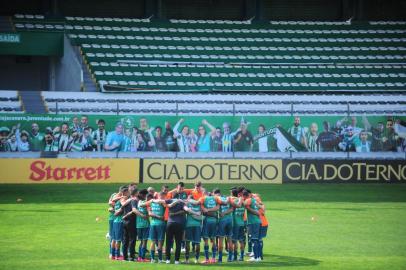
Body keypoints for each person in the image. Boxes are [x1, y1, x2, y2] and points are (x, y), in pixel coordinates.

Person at [121, 188, 143, 261]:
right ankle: (131, 257)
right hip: (131, 222)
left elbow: (122, 208)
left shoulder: (128, 200)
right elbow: (134, 210)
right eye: (138, 193)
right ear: (136, 193)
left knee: (125, 239)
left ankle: (124, 257)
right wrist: (142, 215)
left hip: (125, 222)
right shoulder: (133, 200)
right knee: (132, 240)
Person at [145, 192, 167, 263]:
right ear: (162, 196)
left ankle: (152, 259)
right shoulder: (163, 203)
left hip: (153, 224)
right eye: (164, 196)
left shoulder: (151, 203)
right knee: (160, 242)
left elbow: (150, 213)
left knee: (153, 241)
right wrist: (160, 217)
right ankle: (160, 259)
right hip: (161, 224)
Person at [199, 190, 220, 264]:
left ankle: (207, 259)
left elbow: (203, 210)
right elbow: (218, 207)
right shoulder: (215, 198)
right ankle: (214, 258)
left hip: (206, 221)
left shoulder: (203, 198)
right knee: (214, 240)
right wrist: (211, 210)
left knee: (206, 240)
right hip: (214, 221)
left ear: (204, 194)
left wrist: (207, 210)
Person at [214, 189, 234, 263]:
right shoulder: (228, 198)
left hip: (222, 221)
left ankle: (220, 258)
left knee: (220, 240)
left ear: (215, 194)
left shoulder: (216, 199)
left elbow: (217, 208)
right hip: (230, 220)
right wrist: (226, 212)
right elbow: (232, 209)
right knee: (229, 239)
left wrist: (223, 213)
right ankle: (230, 258)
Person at [165, 197, 186, 264]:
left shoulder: (169, 200)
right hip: (179, 224)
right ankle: (176, 260)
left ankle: (167, 260)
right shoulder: (181, 202)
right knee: (178, 243)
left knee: (168, 243)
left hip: (170, 223)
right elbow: (185, 210)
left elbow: (162, 202)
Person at [243, 190, 261, 262]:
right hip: (256, 222)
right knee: (256, 240)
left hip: (253, 223)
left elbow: (243, 204)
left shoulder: (249, 200)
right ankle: (258, 257)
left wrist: (247, 208)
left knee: (254, 240)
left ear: (245, 196)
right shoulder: (254, 200)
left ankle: (256, 257)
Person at [184, 194, 203, 264]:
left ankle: (187, 259)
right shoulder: (198, 205)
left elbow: (185, 210)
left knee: (187, 242)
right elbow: (200, 214)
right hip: (197, 225)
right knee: (197, 243)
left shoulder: (187, 204)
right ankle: (196, 259)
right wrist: (196, 213)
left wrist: (191, 212)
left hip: (189, 225)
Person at [112, 186, 129, 260]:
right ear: (125, 192)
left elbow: (114, 206)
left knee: (114, 239)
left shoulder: (116, 200)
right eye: (128, 192)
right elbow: (122, 206)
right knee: (119, 240)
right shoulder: (123, 199)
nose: (129, 193)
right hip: (120, 221)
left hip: (115, 221)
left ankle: (113, 255)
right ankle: (117, 256)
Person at [230, 188, 245, 261]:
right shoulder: (243, 202)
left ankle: (235, 256)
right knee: (241, 240)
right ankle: (242, 256)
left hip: (235, 224)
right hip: (242, 223)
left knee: (234, 241)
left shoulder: (234, 201)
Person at [136, 189, 150, 262]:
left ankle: (139, 257)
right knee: (144, 242)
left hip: (138, 225)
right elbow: (148, 215)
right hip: (145, 225)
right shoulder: (146, 204)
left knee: (141, 241)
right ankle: (142, 257)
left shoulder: (138, 202)